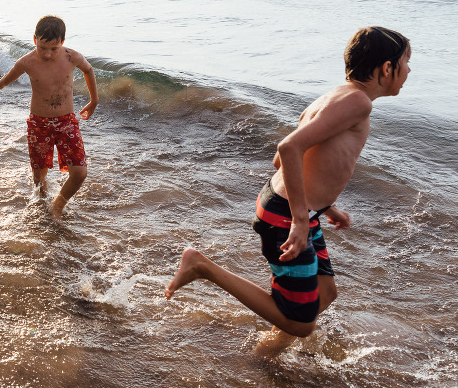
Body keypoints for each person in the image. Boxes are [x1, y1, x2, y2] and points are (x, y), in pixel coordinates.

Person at [165, 26, 412, 357]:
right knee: (301, 324)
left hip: (297, 208)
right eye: (407, 62)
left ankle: (265, 351)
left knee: (324, 294)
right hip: (288, 213)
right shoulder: (357, 103)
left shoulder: (336, 96)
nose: (409, 71)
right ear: (386, 68)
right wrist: (298, 218)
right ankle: (201, 267)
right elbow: (290, 147)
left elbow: (281, 160)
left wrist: (325, 205)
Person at [0, 15, 98, 219]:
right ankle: (42, 206)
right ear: (34, 40)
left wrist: (94, 101)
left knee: (79, 173)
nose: (48, 54)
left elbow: (89, 70)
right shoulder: (27, 62)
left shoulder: (71, 57)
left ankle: (58, 204)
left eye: (53, 48)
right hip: (39, 124)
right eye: (42, 47)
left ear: (62, 43)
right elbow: (6, 81)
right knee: (39, 176)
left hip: (66, 122)